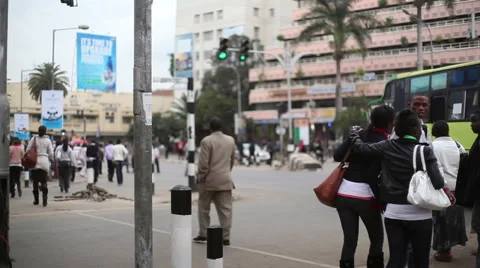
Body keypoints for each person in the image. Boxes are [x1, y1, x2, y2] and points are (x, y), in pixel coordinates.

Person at [350, 109, 453, 268]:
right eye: (419, 127)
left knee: (396, 259)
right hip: (420, 214)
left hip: (393, 213)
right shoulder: (424, 150)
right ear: (415, 129)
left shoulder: (386, 146)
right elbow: (438, 183)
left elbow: (361, 148)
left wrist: (354, 134)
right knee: (420, 260)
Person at [333, 105, 395, 268]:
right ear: (390, 123)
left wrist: (350, 136)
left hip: (343, 195)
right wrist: (381, 201)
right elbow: (374, 176)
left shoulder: (357, 135)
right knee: (376, 238)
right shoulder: (385, 143)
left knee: (350, 240)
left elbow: (337, 156)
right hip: (365, 197)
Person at [194, 116, 236, 246]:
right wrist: (225, 172)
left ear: (210, 128)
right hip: (225, 179)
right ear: (221, 127)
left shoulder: (207, 141)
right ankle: (225, 237)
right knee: (226, 210)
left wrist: (200, 178)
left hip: (208, 181)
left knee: (203, 208)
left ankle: (204, 234)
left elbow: (203, 165)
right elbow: (232, 160)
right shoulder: (230, 140)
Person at [430, 120, 468, 262]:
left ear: (434, 132)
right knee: (453, 221)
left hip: (441, 188)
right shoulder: (458, 145)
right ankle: (448, 249)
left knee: (440, 222)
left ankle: (444, 252)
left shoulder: (433, 146)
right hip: (456, 188)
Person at [26, 125, 54, 207]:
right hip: (44, 162)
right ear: (45, 132)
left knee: (35, 182)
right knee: (44, 181)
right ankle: (44, 199)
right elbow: (51, 153)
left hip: (35, 162)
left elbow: (27, 150)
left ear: (38, 131)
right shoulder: (48, 141)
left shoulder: (33, 139)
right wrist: (50, 159)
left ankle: (36, 200)